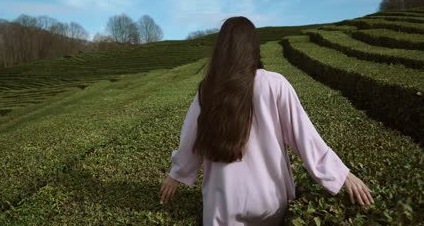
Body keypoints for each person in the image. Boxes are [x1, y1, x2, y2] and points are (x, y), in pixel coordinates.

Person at [159, 16, 374, 225]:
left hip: (222, 204)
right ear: (254, 47)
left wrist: (176, 175)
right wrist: (342, 175)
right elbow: (305, 137)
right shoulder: (275, 84)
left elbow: (191, 139)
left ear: (221, 48)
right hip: (270, 201)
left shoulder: (209, 88)